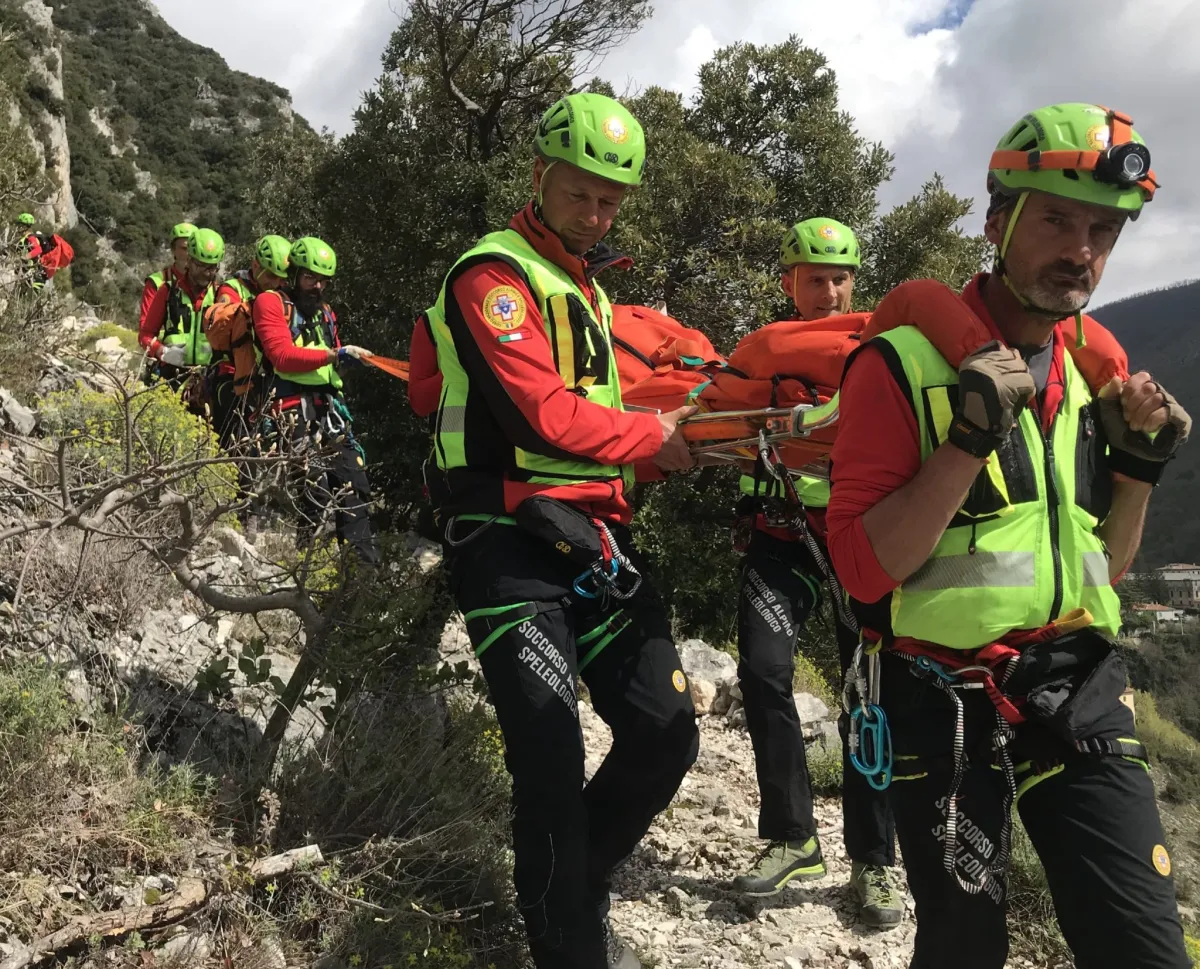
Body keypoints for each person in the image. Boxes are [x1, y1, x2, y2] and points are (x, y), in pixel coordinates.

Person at [826, 103, 1191, 969]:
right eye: (1058, 220)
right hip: (941, 697)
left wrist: (1138, 474)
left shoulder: (1089, 374)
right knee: (962, 951)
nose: (1082, 251)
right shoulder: (901, 364)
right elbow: (862, 570)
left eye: (1104, 229)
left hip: (1080, 682)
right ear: (998, 222)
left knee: (1145, 948)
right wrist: (965, 439)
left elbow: (1102, 568)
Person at [419, 92, 699, 969]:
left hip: (590, 535)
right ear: (539, 176)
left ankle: (582, 878)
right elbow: (541, 414)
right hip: (503, 535)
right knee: (549, 758)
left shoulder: (583, 285)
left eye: (611, 200)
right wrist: (658, 441)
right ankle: (565, 948)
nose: (595, 212)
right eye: (580, 192)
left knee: (668, 728)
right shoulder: (490, 276)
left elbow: (603, 415)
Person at [731, 218, 901, 927]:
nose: (827, 291)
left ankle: (873, 860)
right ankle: (792, 836)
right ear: (788, 283)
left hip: (853, 546)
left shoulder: (876, 354)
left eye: (839, 279)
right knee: (765, 674)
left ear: (855, 283)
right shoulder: (762, 353)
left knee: (866, 697)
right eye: (814, 278)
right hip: (777, 541)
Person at [251, 236, 379, 564]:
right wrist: (334, 355)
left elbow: (328, 362)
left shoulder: (324, 313)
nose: (317, 286)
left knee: (355, 485)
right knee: (317, 487)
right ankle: (305, 562)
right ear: (293, 274)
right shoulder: (270, 302)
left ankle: (361, 572)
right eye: (310, 277)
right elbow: (281, 356)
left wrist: (345, 361)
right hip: (291, 411)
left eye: (323, 281)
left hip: (329, 412)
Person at [208, 234, 292, 536]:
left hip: (262, 381)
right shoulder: (233, 290)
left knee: (258, 445)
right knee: (236, 444)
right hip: (230, 377)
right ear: (256, 265)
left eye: (279, 277)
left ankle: (256, 507)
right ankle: (239, 512)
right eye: (269, 275)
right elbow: (221, 324)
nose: (274, 282)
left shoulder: (282, 295)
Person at [138, 227, 223, 387]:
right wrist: (161, 351)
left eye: (211, 268)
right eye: (200, 266)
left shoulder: (220, 295)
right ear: (189, 261)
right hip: (170, 375)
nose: (206, 273)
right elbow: (145, 335)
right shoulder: (167, 291)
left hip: (209, 377)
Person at [139, 223, 197, 336]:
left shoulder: (209, 285)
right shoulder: (156, 282)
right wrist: (161, 350)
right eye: (184, 248)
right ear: (173, 250)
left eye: (193, 249)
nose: (189, 254)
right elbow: (145, 328)